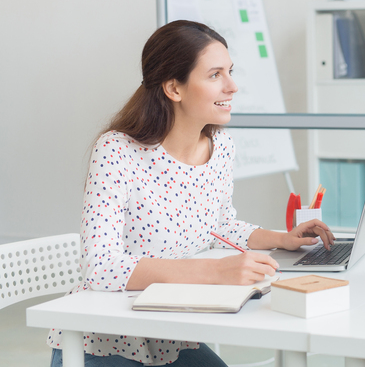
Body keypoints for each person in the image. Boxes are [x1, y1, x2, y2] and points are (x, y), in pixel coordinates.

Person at [48, 20, 335, 366]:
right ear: (174, 88)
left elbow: (220, 227)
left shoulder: (220, 147)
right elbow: (100, 267)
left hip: (172, 337)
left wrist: (282, 238)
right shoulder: (117, 151)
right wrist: (216, 273)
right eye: (215, 75)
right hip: (108, 340)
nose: (232, 86)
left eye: (230, 71)